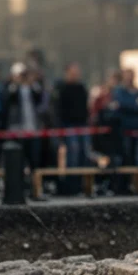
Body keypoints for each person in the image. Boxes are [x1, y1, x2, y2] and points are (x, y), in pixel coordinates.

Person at [52, 62, 90, 195]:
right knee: (72, 155)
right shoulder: (62, 88)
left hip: (82, 125)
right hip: (69, 126)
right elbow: (58, 110)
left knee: (84, 154)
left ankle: (81, 184)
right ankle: (70, 185)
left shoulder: (81, 88)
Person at [7, 63, 47, 185]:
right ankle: (20, 185)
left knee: (35, 160)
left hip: (34, 129)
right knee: (19, 160)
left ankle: (35, 187)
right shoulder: (13, 88)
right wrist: (16, 81)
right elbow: (9, 98)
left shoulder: (34, 88)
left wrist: (32, 81)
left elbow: (41, 98)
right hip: (19, 131)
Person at [110, 68, 138, 192]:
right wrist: (135, 105)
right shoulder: (120, 91)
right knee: (126, 157)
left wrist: (131, 106)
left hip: (137, 130)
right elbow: (123, 104)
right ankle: (124, 185)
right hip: (125, 130)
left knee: (137, 157)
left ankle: (137, 185)